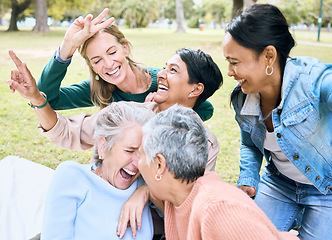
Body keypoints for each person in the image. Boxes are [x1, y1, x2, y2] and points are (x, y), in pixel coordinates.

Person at [7, 47, 223, 238]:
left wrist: (146, 192)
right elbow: (66, 131)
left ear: (195, 90)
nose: (162, 75)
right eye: (165, 68)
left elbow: (187, 207)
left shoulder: (205, 145)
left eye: (173, 71)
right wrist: (36, 98)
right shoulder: (132, 113)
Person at [222, 3, 332, 239]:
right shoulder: (243, 98)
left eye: (234, 62)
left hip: (326, 190)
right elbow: (250, 145)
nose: (229, 71)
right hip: (279, 182)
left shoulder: (312, 79)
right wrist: (248, 179)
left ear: (269, 56)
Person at [136, 104, 298, 240]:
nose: (137, 162)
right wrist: (142, 192)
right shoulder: (176, 195)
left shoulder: (217, 208)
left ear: (159, 164)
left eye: (140, 154)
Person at [36, 8, 214, 121]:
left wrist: (159, 113)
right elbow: (47, 98)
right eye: (97, 60)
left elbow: (206, 109)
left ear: (125, 49)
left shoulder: (161, 83)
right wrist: (67, 48)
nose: (108, 64)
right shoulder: (99, 89)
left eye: (112, 52)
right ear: (92, 67)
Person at [42, 102, 154, 239]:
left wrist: (146, 191)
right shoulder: (72, 176)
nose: (137, 163)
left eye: (143, 154)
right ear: (103, 147)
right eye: (129, 150)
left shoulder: (146, 183)